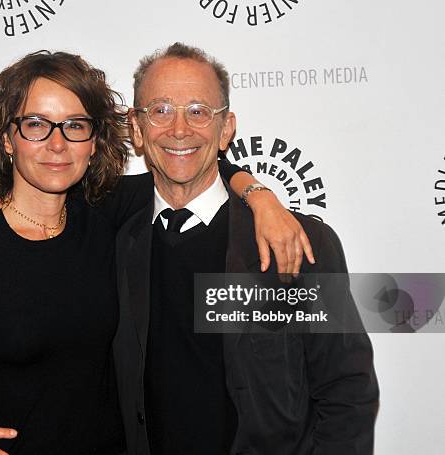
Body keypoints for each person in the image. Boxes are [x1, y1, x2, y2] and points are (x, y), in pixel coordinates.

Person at [0, 50, 312, 455]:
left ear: (94, 140)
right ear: (6, 138)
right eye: (36, 124)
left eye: (75, 125)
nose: (57, 144)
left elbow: (187, 163)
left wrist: (258, 194)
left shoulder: (106, 216)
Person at [113, 43, 380, 455]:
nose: (179, 128)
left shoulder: (298, 242)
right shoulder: (111, 236)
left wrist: (258, 194)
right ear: (135, 128)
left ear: (226, 129)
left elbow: (347, 390)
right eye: (160, 110)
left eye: (199, 110)